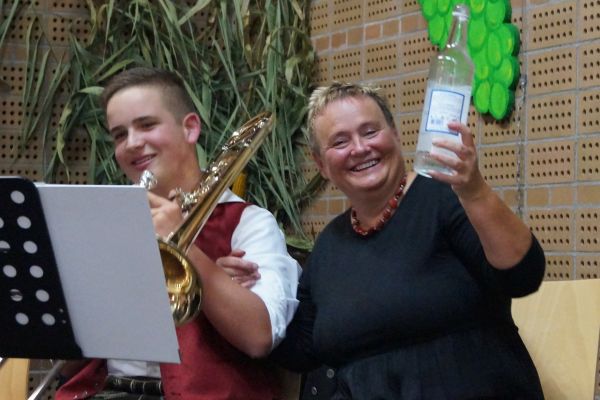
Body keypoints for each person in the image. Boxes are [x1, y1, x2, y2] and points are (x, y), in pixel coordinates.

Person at [271, 82, 546, 399]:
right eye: (340, 141)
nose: (359, 148)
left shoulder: (445, 200)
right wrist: (245, 284)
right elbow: (301, 350)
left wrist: (475, 191)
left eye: (370, 132)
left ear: (396, 135)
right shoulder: (329, 245)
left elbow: (523, 275)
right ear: (321, 164)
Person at [55, 66, 301, 400]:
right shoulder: (110, 226)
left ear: (190, 128)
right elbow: (68, 366)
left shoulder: (249, 223)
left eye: (146, 125)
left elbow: (259, 338)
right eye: (119, 134)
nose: (132, 143)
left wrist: (195, 262)